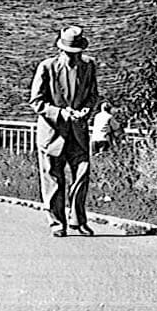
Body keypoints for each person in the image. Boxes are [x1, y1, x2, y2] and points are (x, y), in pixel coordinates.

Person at [30, 25, 100, 236]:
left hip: (77, 132)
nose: (73, 57)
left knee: (82, 174)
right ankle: (57, 223)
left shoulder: (89, 66)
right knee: (53, 179)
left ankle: (78, 220)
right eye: (70, 54)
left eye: (76, 54)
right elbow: (37, 102)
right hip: (52, 134)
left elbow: (93, 94)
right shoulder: (47, 67)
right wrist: (61, 113)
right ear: (61, 50)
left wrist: (87, 109)